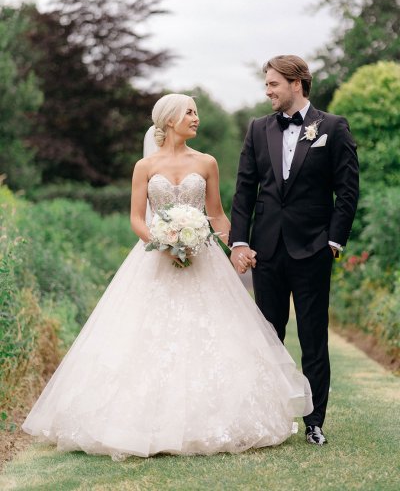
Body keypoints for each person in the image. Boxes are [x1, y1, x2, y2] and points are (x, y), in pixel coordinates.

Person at [22, 93, 313, 461]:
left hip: (202, 258)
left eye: (196, 111)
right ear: (170, 119)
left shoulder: (206, 162)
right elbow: (136, 218)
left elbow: (217, 215)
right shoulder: (145, 166)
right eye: (190, 112)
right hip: (155, 258)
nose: (196, 117)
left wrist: (235, 246)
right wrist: (162, 240)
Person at [230, 55, 359, 445]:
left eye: (273, 84)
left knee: (313, 337)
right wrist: (239, 241)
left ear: (297, 83)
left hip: (313, 249)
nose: (267, 91)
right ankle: (271, 418)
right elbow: (244, 191)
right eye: (266, 84)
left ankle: (314, 421)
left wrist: (333, 242)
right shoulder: (257, 129)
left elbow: (348, 190)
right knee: (268, 336)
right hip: (266, 251)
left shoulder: (332, 128)